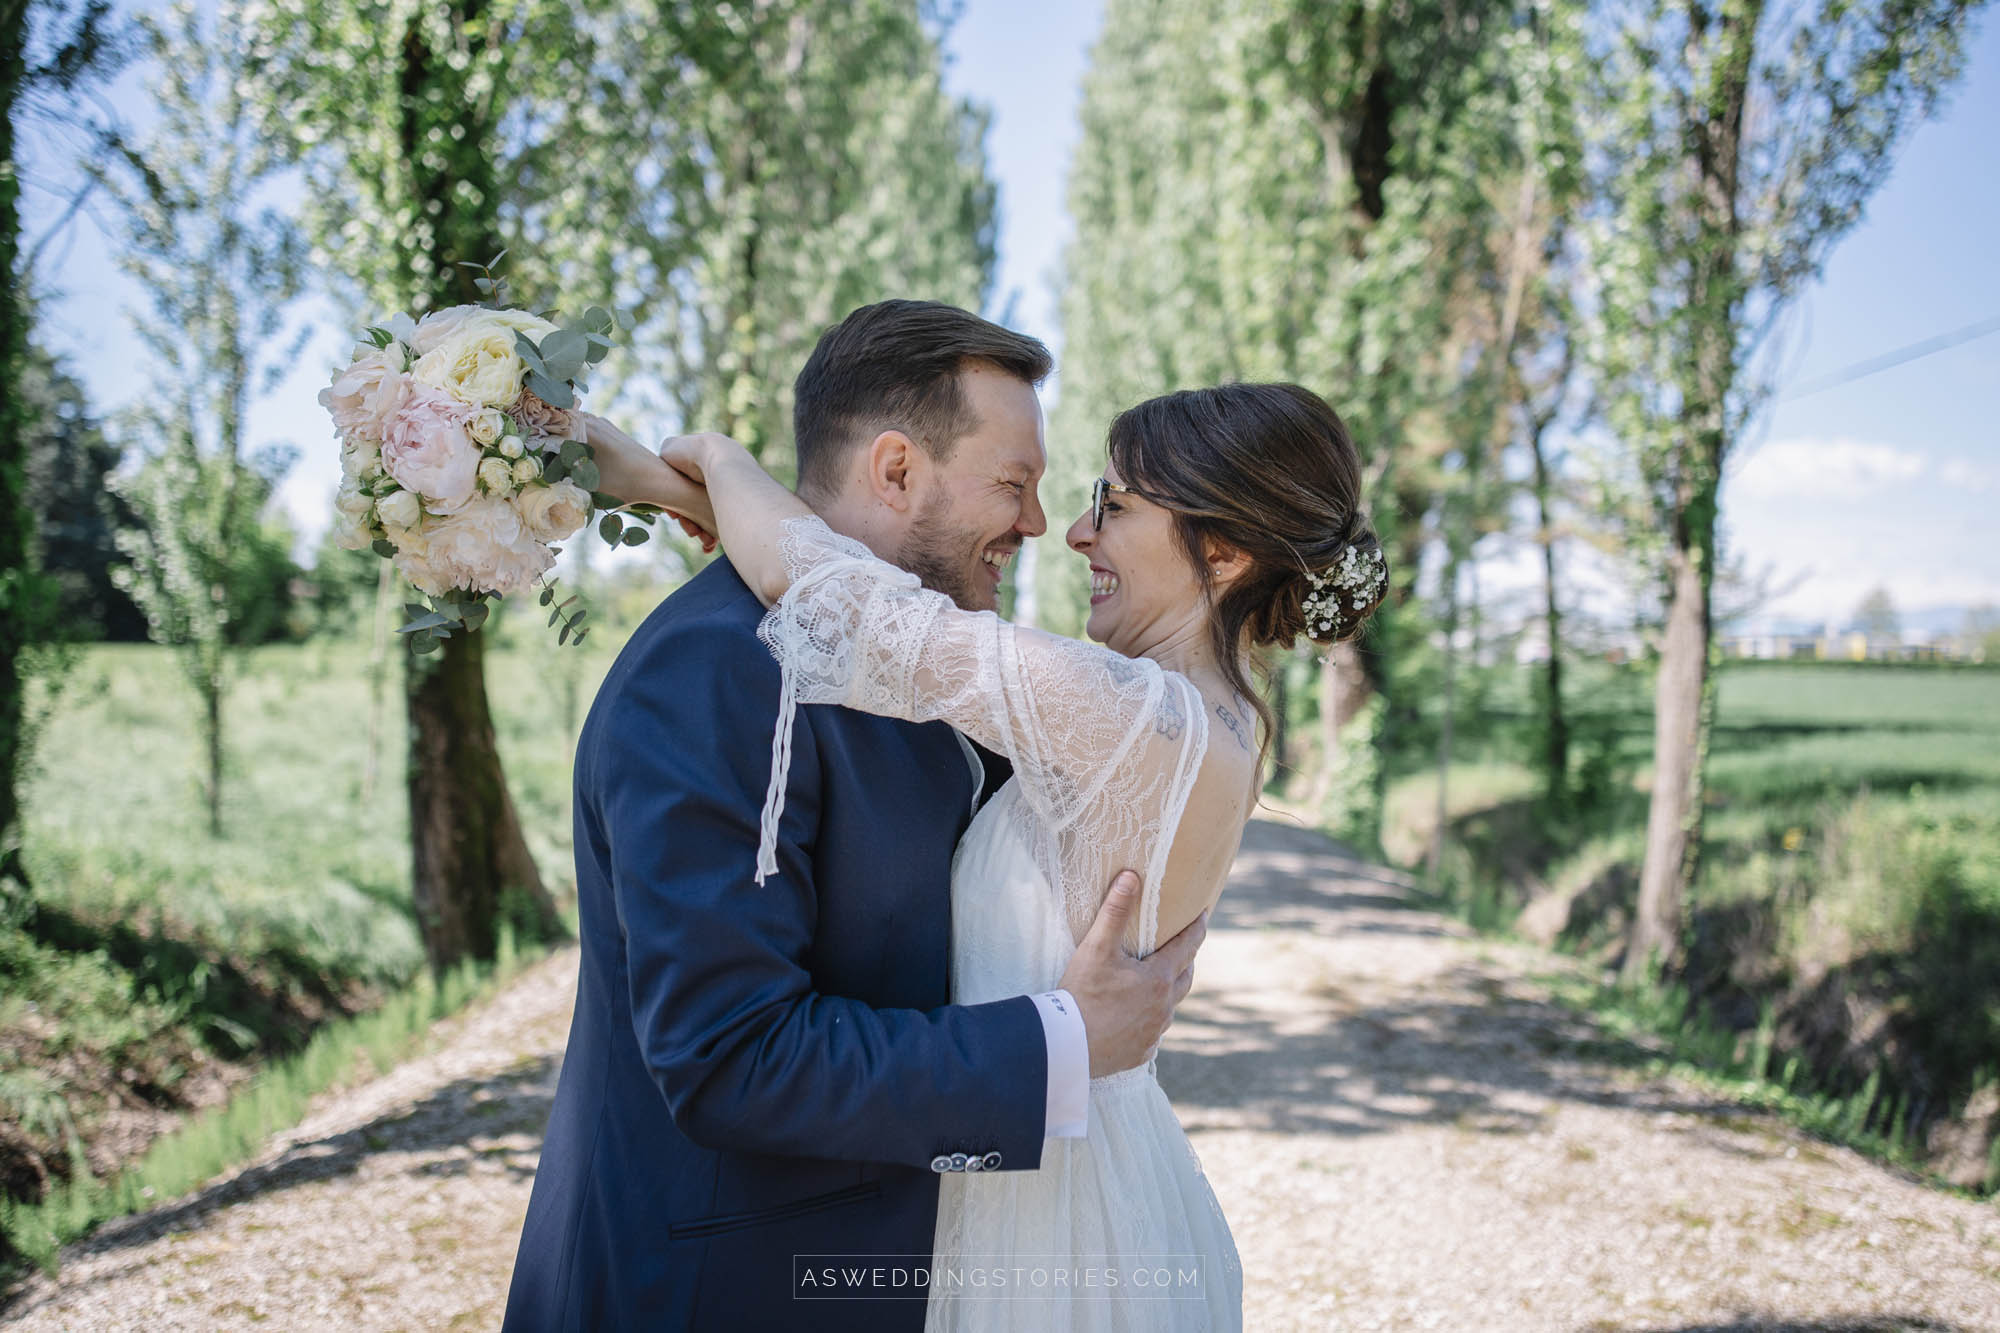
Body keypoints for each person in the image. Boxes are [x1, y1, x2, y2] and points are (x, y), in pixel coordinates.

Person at [500, 300, 1208, 1333]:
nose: (1036, 524)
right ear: (892, 472)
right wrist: (1062, 1041)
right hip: (723, 1294)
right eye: (1014, 483)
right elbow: (732, 1056)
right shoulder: (716, 668)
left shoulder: (925, 663)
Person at [644, 376, 1389, 1332]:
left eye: (1113, 508)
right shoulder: (1221, 720)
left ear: (1226, 550)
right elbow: (856, 575)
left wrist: (713, 458)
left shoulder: (1121, 711)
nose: (1076, 534)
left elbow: (835, 598)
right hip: (1102, 1180)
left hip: (1048, 1226)